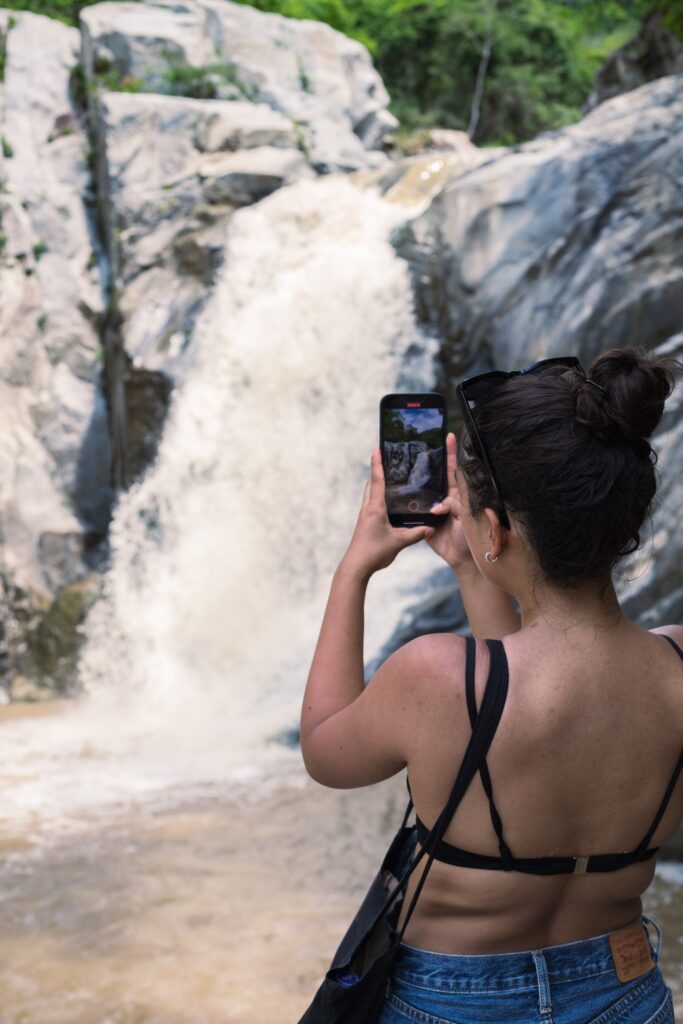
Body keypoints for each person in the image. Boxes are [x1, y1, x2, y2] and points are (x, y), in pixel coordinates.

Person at [300, 346, 683, 1024]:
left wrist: (352, 569)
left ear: (495, 529)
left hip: (451, 1002)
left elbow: (326, 752)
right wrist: (474, 571)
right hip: (623, 993)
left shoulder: (437, 675)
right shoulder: (675, 666)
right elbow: (526, 679)